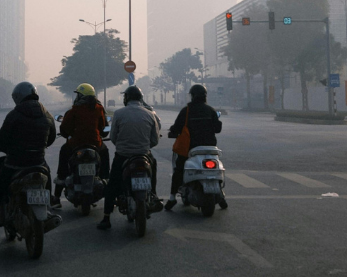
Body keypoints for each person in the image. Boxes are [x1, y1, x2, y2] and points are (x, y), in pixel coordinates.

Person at [0, 81, 57, 253]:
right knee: (46, 179)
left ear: (18, 97)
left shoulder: (15, 114)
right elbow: (51, 138)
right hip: (38, 163)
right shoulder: (46, 114)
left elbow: (3, 141)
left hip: (16, 165)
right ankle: (48, 207)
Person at [97, 85, 162, 231]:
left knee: (112, 185)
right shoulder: (150, 114)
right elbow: (155, 140)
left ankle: (106, 217)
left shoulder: (119, 114)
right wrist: (143, 147)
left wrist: (124, 147)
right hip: (144, 155)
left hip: (123, 156)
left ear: (126, 99)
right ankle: (154, 194)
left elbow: (113, 137)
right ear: (141, 98)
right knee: (154, 165)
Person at [165, 84, 225, 211]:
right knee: (217, 168)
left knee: (179, 170)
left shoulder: (186, 111)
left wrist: (172, 132)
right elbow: (218, 129)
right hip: (210, 148)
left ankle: (171, 198)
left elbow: (176, 128)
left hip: (190, 149)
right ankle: (222, 197)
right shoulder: (210, 110)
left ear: (192, 96)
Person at [53, 83, 109, 208]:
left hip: (75, 145)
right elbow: (105, 128)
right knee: (105, 152)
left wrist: (68, 134)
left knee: (63, 154)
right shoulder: (99, 108)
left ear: (80, 96)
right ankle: (106, 178)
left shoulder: (74, 110)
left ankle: (56, 197)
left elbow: (64, 130)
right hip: (96, 144)